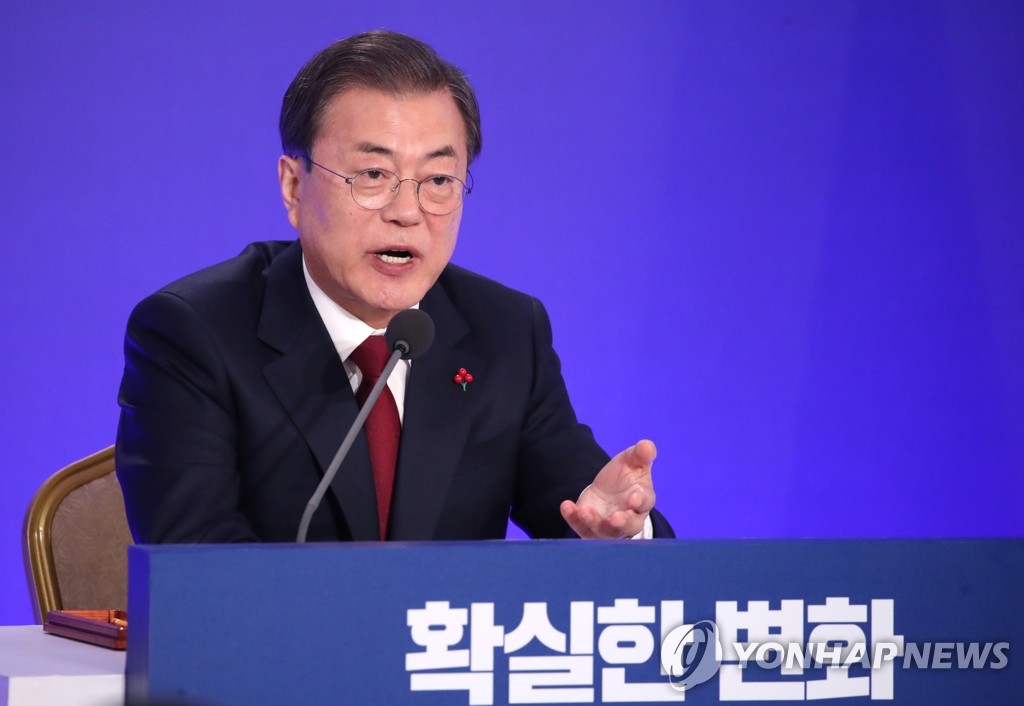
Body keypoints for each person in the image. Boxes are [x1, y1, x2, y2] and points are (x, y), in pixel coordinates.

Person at [115, 30, 672, 543]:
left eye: (438, 179)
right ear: (293, 187)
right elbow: (197, 572)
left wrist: (620, 533)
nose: (407, 211)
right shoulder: (194, 334)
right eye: (373, 175)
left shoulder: (505, 333)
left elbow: (588, 510)